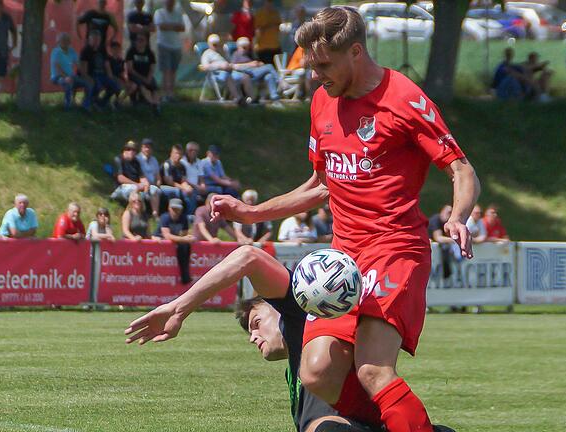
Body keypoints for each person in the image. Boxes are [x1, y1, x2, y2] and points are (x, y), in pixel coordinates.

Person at [205, 7, 478, 431]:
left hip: (394, 250)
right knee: (315, 371)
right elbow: (319, 185)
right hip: (342, 262)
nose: (315, 74)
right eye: (311, 65)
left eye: (323, 64)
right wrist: (250, 211)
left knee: (372, 370)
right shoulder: (321, 102)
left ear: (355, 51)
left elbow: (461, 169)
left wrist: (459, 216)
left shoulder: (404, 98)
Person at [125, 245, 390, 432]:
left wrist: (179, 308)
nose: (253, 337)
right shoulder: (299, 365)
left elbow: (248, 257)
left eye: (256, 323)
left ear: (278, 308)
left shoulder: (302, 317)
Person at [200, 33, 254, 105]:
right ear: (209, 44)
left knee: (245, 77)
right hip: (216, 74)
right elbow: (205, 67)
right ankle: (238, 98)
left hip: (230, 71)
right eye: (214, 44)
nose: (216, 46)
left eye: (217, 44)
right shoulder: (207, 54)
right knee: (228, 77)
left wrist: (229, 66)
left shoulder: (222, 52)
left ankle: (251, 98)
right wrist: (219, 66)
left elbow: (229, 63)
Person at [111, 140, 161, 216]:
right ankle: (132, 214)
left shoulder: (136, 162)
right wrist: (137, 184)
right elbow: (120, 178)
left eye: (133, 150)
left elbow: (142, 177)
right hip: (120, 188)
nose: (131, 151)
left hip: (136, 186)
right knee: (134, 188)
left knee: (154, 189)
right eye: (128, 149)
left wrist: (146, 184)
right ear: (124, 150)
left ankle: (155, 214)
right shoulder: (118, 159)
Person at [153, 198, 194, 284]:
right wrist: (183, 239)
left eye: (178, 209)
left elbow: (184, 234)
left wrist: (188, 238)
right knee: (184, 244)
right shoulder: (165, 217)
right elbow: (167, 235)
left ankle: (185, 275)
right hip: (160, 241)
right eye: (173, 209)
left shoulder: (184, 218)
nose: (176, 211)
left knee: (186, 246)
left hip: (175, 242)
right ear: (169, 208)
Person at [231, 36, 281, 104]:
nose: (245, 49)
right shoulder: (236, 55)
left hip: (256, 73)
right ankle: (281, 82)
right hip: (247, 75)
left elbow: (258, 62)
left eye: (247, 46)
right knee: (269, 66)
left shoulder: (250, 53)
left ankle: (275, 97)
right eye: (243, 47)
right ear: (238, 47)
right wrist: (249, 64)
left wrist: (259, 64)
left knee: (269, 75)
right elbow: (233, 66)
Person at [81, 30, 120, 109]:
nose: (96, 42)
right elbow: (83, 67)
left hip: (103, 74)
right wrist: (87, 78)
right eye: (94, 39)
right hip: (92, 75)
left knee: (116, 86)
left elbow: (106, 63)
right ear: (89, 39)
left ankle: (102, 103)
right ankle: (91, 102)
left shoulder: (102, 49)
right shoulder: (85, 50)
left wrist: (110, 75)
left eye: (98, 39)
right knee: (97, 85)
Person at [154, 0, 185, 101]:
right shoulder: (159, 13)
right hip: (164, 45)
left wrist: (170, 26)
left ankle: (171, 93)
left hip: (176, 46)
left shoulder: (178, 13)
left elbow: (182, 27)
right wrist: (174, 26)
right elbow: (162, 26)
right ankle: (165, 93)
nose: (170, 3)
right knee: (166, 70)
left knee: (173, 70)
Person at [50, 32, 88, 109]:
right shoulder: (55, 51)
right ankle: (67, 106)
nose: (65, 42)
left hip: (71, 76)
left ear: (69, 42)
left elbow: (78, 64)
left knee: (88, 83)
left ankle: (86, 105)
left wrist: (85, 75)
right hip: (57, 76)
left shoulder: (72, 51)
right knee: (68, 82)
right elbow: (57, 67)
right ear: (58, 42)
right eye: (63, 40)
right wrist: (66, 77)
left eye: (67, 40)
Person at [125, 33, 160, 111]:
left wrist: (149, 78)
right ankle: (152, 103)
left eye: (142, 40)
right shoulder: (131, 52)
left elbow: (152, 68)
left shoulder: (150, 53)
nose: (140, 42)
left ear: (146, 42)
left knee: (154, 88)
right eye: (138, 40)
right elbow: (130, 69)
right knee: (142, 87)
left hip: (147, 75)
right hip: (135, 75)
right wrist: (143, 78)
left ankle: (156, 104)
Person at [160, 144, 197, 214]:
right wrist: (183, 188)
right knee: (180, 192)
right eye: (176, 153)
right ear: (171, 153)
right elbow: (169, 182)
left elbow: (183, 180)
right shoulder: (166, 165)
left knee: (192, 191)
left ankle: (191, 214)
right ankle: (187, 214)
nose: (178, 156)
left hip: (178, 187)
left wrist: (187, 187)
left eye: (180, 154)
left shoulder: (182, 166)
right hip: (165, 188)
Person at [253, 0, 282, 65]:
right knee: (267, 68)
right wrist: (269, 26)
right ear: (264, 2)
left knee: (278, 67)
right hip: (264, 48)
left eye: (271, 2)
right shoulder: (259, 14)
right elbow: (257, 31)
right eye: (268, 2)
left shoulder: (275, 13)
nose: (269, 3)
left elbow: (278, 27)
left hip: (275, 46)